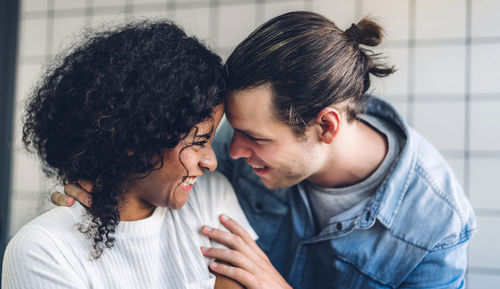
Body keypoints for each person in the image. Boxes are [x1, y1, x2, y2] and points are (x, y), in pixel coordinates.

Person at [53, 12, 477, 289]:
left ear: (325, 126)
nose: (230, 153)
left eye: (256, 138)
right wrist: (108, 183)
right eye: (230, 131)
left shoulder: (435, 228)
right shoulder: (227, 150)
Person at [1, 20, 260, 289]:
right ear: (137, 139)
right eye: (199, 142)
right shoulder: (43, 249)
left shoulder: (211, 196)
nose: (212, 161)